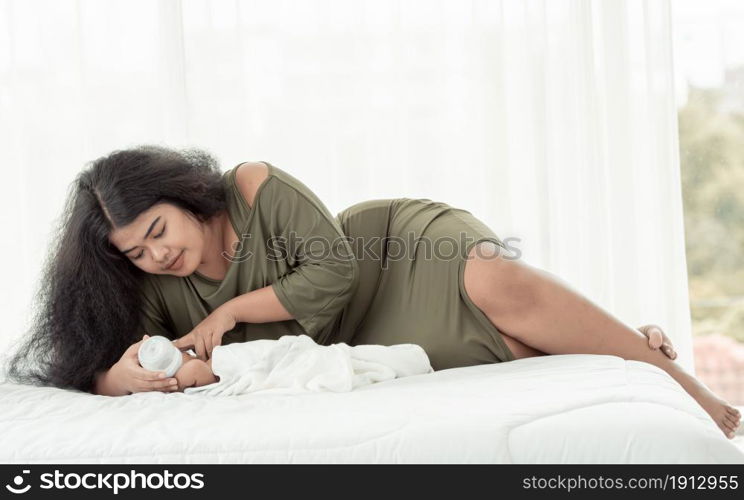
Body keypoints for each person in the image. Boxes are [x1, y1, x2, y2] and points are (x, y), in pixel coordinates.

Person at [4, 145, 739, 439]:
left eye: (159, 230)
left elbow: (332, 278)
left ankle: (696, 393)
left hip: (388, 252)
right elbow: (102, 365)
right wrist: (113, 378)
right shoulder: (156, 294)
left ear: (184, 196)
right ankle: (626, 341)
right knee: (518, 344)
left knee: (500, 282)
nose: (157, 254)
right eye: (136, 252)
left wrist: (229, 309)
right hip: (361, 337)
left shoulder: (252, 187)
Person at [137, 333, 433, 395]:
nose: (185, 389)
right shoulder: (182, 372)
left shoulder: (215, 359)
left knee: (347, 360)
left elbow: (270, 356)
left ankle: (407, 359)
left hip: (286, 355)